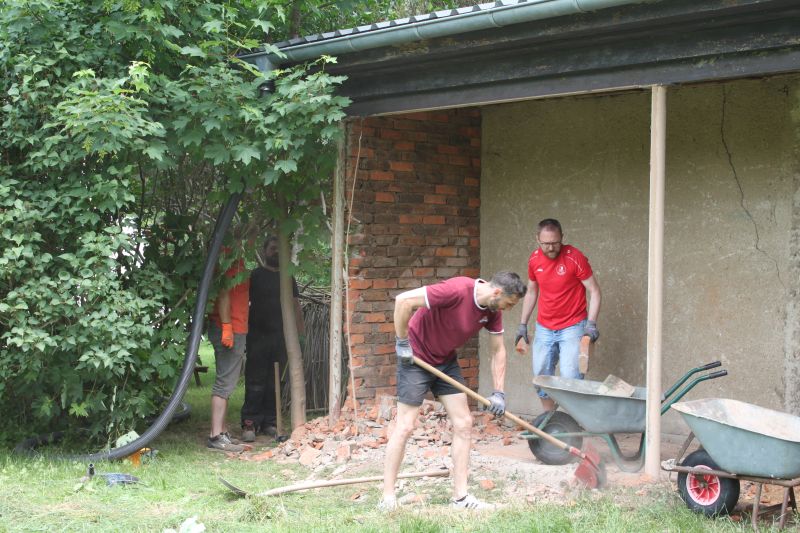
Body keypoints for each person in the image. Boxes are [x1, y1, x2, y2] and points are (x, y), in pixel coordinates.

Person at [380, 271, 527, 511]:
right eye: (509, 303)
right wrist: (402, 342)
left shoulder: (492, 311)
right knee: (405, 426)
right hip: (415, 358)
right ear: (497, 292)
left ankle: (461, 498)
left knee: (464, 423)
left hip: (445, 362)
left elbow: (498, 350)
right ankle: (387, 498)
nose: (508, 309)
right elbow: (403, 301)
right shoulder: (457, 289)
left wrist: (499, 392)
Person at [515, 218, 602, 412]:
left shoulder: (574, 257)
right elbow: (531, 291)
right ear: (537, 239)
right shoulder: (534, 259)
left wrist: (591, 324)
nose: (551, 247)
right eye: (546, 244)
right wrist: (522, 325)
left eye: (555, 242)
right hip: (544, 326)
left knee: (571, 378)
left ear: (562, 238)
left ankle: (572, 426)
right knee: (541, 376)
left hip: (572, 326)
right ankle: (551, 422)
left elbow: (595, 291)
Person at [240, 236, 305, 442]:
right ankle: (250, 422)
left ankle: (269, 422)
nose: (275, 251)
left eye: (279, 249)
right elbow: (244, 304)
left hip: (281, 337)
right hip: (257, 336)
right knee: (255, 380)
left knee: (274, 381)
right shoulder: (256, 276)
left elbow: (295, 306)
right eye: (272, 248)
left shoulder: (288, 277)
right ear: (265, 251)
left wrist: (300, 333)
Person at [207, 253, 249, 452]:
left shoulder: (236, 261)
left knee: (228, 382)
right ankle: (215, 436)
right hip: (230, 327)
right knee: (224, 383)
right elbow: (223, 292)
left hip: (235, 327)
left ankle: (221, 433)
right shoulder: (227, 260)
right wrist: (226, 326)